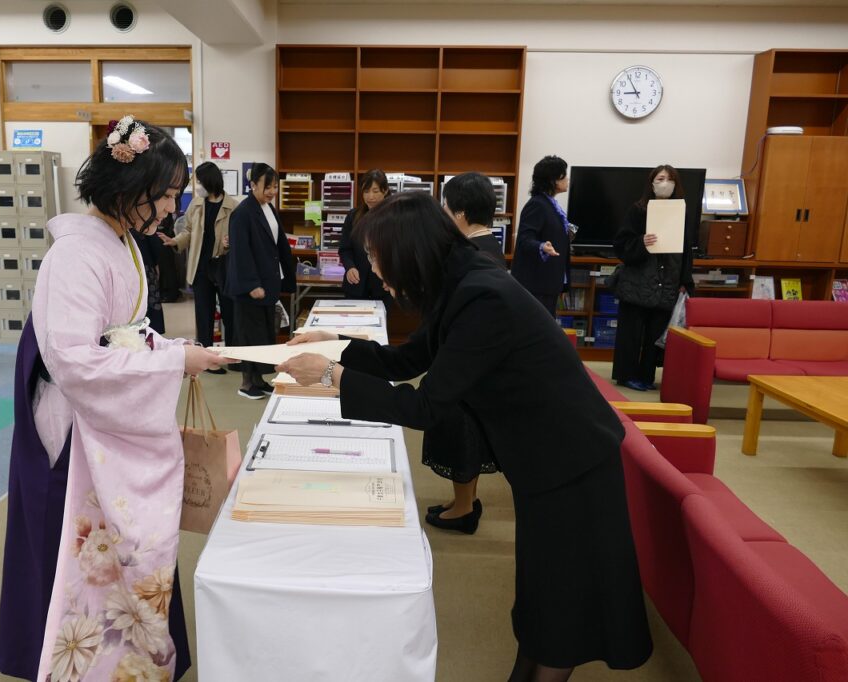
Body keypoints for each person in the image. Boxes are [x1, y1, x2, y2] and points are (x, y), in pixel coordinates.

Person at [278, 192, 652, 682]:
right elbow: (410, 359)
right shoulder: (457, 280)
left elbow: (426, 407)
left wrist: (332, 375)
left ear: (407, 251)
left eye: (376, 256)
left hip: (571, 458)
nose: (375, 270)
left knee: (561, 603)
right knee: (542, 595)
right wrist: (337, 346)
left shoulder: (482, 297)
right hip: (544, 455)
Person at [0, 116, 232, 682]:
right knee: (81, 552)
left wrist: (174, 349)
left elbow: (125, 334)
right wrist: (171, 362)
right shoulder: (75, 256)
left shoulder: (119, 242)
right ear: (131, 188)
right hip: (73, 427)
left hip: (100, 416)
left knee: (126, 545)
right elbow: (75, 360)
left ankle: (125, 660)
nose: (172, 208)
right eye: (167, 195)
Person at [422, 172, 506, 533]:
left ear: (460, 214)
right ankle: (464, 500)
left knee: (462, 437)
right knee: (468, 437)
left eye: (445, 208)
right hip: (475, 362)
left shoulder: (472, 254)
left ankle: (463, 508)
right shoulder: (490, 245)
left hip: (465, 365)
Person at [611, 165, 695, 391]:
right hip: (638, 281)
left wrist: (685, 282)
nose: (665, 183)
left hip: (668, 281)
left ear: (676, 184)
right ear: (652, 183)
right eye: (660, 178)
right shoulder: (638, 210)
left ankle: (646, 376)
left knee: (655, 334)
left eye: (669, 179)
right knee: (631, 333)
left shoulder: (681, 212)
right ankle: (626, 375)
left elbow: (687, 250)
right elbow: (621, 244)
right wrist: (641, 242)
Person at [225, 162, 296, 399]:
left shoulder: (268, 208)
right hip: (250, 288)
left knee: (263, 335)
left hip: (267, 283)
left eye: (275, 186)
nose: (272, 191)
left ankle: (258, 380)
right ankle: (246, 384)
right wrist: (251, 284)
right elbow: (240, 252)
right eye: (268, 186)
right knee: (248, 336)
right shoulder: (242, 213)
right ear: (253, 184)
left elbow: (278, 244)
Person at [163, 161, 239, 371]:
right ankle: (207, 360)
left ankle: (232, 357)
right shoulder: (196, 205)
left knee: (230, 314)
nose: (198, 186)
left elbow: (240, 235)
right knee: (204, 315)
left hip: (224, 267)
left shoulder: (233, 206)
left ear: (210, 181)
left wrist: (231, 242)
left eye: (200, 182)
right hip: (201, 267)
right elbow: (187, 230)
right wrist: (175, 241)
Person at [511, 155, 573, 317]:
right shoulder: (537, 205)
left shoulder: (551, 204)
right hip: (537, 284)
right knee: (536, 327)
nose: (567, 179)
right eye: (563, 176)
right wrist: (542, 246)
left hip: (549, 282)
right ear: (552, 181)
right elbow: (524, 239)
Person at [338, 169, 390, 300]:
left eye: (375, 191)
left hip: (383, 286)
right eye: (366, 191)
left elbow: (401, 252)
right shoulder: (353, 216)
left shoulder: (395, 218)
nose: (370, 197)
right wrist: (350, 267)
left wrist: (393, 277)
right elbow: (345, 249)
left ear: (385, 190)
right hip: (356, 284)